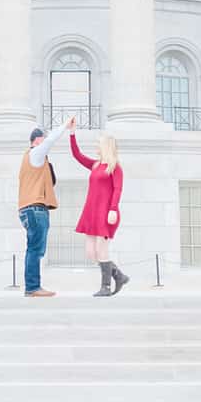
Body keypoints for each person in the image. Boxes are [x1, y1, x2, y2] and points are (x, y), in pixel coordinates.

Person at [70, 123, 129, 297]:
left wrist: (113, 209)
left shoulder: (115, 167)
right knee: (91, 253)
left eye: (98, 144)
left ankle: (106, 286)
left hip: (106, 213)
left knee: (102, 250)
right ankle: (119, 275)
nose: (96, 147)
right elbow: (77, 155)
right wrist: (72, 134)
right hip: (91, 212)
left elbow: (118, 189)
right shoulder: (95, 165)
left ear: (106, 147)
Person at [17, 117, 73, 298]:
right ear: (38, 140)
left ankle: (32, 287)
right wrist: (66, 125)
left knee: (32, 249)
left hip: (28, 209)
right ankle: (33, 287)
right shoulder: (36, 153)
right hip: (35, 209)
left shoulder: (31, 158)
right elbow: (51, 140)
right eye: (44, 139)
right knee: (36, 249)